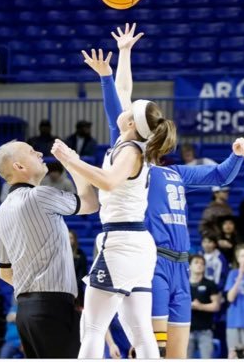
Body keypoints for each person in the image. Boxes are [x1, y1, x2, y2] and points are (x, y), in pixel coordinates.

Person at [101, 22, 244, 358]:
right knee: (150, 352)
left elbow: (220, 175)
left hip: (182, 267)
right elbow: (117, 108)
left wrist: (237, 154)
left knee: (177, 356)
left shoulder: (175, 173)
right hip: (152, 265)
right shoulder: (134, 163)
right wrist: (109, 72)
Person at [52, 49, 169, 359]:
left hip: (121, 242)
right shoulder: (131, 142)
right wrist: (125, 53)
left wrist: (72, 160)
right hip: (138, 245)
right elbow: (123, 90)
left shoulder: (130, 151)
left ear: (130, 122)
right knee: (140, 329)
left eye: (129, 112)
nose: (125, 107)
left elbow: (107, 181)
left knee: (91, 327)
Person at [0, 140, 99, 358]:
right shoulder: (40, 195)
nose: (40, 153)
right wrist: (72, 162)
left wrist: (34, 290)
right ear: (19, 167)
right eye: (32, 152)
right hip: (52, 308)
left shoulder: (0, 214)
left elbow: (4, 272)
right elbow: (90, 203)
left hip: (26, 311)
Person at [187, 255, 220, 359]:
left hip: (205, 330)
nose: (199, 265)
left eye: (202, 263)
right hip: (186, 330)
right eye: (196, 262)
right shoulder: (183, 284)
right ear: (190, 266)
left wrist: (200, 306)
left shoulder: (210, 284)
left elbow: (216, 306)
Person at [69, 229, 87, 308]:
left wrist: (74, 287)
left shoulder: (81, 254)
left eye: (71, 238)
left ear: (75, 240)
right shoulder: (61, 253)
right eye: (67, 238)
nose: (69, 240)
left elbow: (83, 273)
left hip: (77, 289)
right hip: (64, 290)